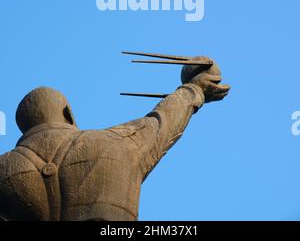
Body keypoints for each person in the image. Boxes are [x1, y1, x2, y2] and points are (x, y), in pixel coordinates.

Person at [0, 57, 230, 221]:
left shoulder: (4, 169)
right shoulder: (115, 143)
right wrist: (195, 88)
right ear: (67, 114)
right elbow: (163, 121)